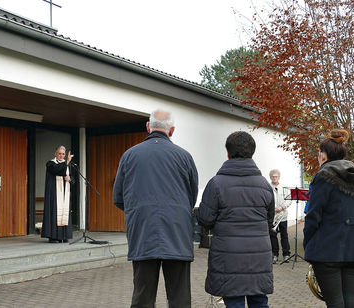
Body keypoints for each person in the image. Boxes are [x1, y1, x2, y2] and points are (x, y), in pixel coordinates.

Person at [113, 109, 198, 308]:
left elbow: (118, 197)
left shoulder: (129, 155)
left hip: (143, 232)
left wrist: (139, 212)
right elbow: (191, 197)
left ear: (148, 127)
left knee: (142, 296)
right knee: (179, 297)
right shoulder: (184, 157)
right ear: (172, 130)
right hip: (177, 233)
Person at [195, 131, 274, 308]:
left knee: (233, 301)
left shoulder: (216, 183)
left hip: (228, 256)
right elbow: (269, 220)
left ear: (228, 153)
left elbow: (205, 219)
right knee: (260, 301)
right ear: (252, 153)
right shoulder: (264, 185)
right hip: (258, 255)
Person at [303, 129, 354, 308]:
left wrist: (308, 246)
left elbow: (313, 217)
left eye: (319, 153)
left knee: (335, 303)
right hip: (351, 249)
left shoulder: (323, 177)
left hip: (327, 251)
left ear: (323, 156)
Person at [41, 146, 74, 243]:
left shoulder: (66, 165)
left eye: (63, 154)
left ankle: (63, 236)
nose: (61, 155)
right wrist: (67, 162)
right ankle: (53, 237)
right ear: (55, 154)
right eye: (59, 153)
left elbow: (71, 178)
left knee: (64, 213)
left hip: (64, 195)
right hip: (54, 195)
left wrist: (70, 179)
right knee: (54, 214)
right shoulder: (50, 163)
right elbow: (57, 170)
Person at [268, 169, 291, 264]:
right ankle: (275, 254)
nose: (274, 178)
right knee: (273, 236)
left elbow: (289, 199)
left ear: (279, 177)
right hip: (272, 216)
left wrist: (282, 207)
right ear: (270, 177)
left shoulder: (284, 187)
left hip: (282, 216)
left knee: (284, 236)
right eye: (273, 176)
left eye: (276, 176)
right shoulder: (267, 187)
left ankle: (286, 254)